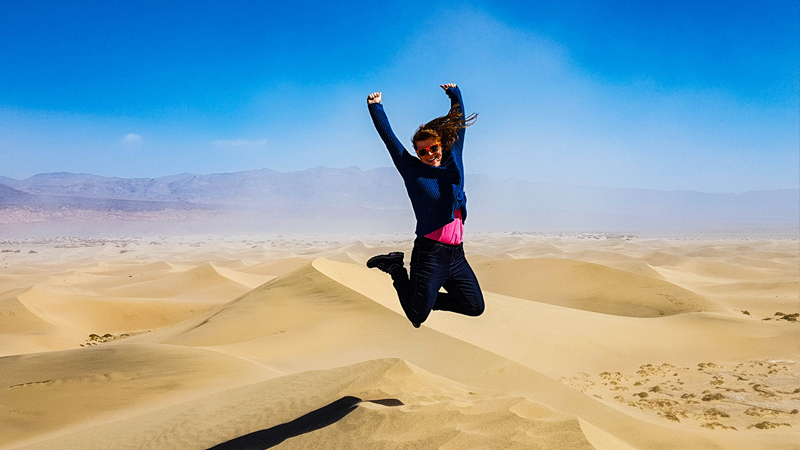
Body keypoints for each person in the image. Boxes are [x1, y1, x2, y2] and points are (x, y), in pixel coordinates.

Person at [365, 83, 485, 328]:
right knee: (417, 316)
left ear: (441, 145)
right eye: (423, 152)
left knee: (474, 306)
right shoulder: (413, 171)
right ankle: (395, 267)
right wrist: (376, 108)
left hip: (457, 255)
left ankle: (423, 298)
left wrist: (456, 95)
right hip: (430, 254)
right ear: (417, 155)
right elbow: (391, 141)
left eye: (433, 148)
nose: (429, 154)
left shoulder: (454, 161)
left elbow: (459, 127)